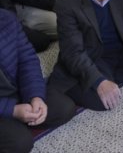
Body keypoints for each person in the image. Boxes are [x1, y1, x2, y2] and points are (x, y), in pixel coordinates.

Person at [0, 9, 76, 153]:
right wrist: (12, 110)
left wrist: (35, 96)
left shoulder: (6, 18)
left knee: (63, 108)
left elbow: (27, 59)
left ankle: (19, 120)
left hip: (15, 90)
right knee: (20, 142)